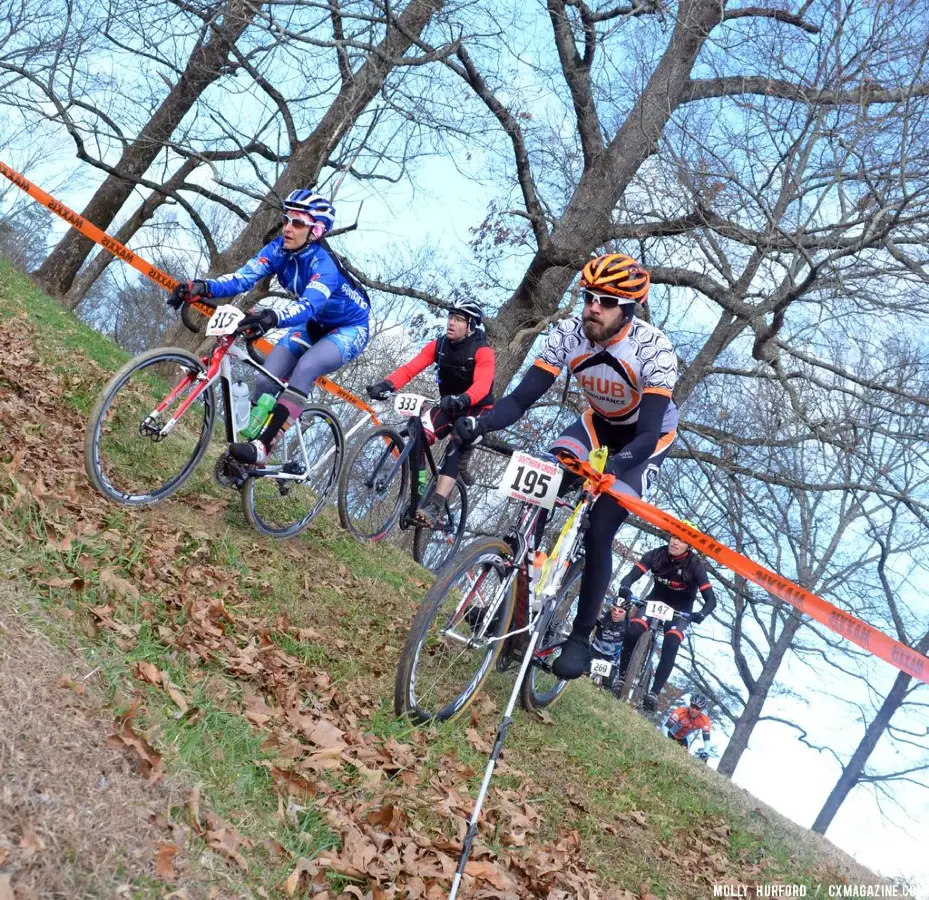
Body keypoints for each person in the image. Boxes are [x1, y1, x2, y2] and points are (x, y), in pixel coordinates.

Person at [454, 252, 678, 681]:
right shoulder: (568, 333)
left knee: (599, 531)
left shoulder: (654, 349)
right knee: (545, 484)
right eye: (589, 296)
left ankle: (579, 635)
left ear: (628, 310)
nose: (593, 306)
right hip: (598, 425)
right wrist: (478, 424)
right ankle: (513, 593)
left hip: (644, 440)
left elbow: (648, 435)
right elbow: (520, 400)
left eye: (607, 301)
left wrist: (614, 467)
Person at [168, 190, 372, 464]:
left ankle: (263, 447)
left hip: (348, 329)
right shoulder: (278, 249)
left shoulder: (324, 266)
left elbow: (309, 306)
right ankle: (249, 445)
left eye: (298, 223)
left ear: (316, 231)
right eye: (287, 219)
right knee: (266, 379)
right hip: (313, 324)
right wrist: (202, 285)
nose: (288, 227)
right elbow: (241, 279)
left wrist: (272, 317)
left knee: (307, 367)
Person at [365, 301, 494, 525]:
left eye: (459, 319)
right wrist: (387, 384)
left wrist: (462, 399)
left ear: (471, 325)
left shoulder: (482, 351)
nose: (451, 322)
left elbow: (482, 385)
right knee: (418, 434)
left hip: (475, 408)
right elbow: (410, 368)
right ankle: (420, 486)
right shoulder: (439, 345)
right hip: (447, 404)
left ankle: (435, 505)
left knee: (457, 443)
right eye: (450, 316)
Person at [614, 524, 717, 710]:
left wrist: (701, 614)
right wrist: (626, 588)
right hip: (655, 600)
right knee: (633, 631)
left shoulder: (695, 565)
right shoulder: (656, 555)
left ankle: (654, 693)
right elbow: (630, 577)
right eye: (674, 536)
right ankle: (621, 676)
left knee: (671, 644)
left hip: (680, 609)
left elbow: (711, 600)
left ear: (690, 546)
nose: (675, 542)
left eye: (682, 540)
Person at [591, 599, 628, 694]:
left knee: (608, 685)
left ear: (626, 613)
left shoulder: (629, 625)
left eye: (620, 611)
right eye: (614, 609)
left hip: (612, 657)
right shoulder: (603, 617)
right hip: (596, 650)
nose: (616, 613)